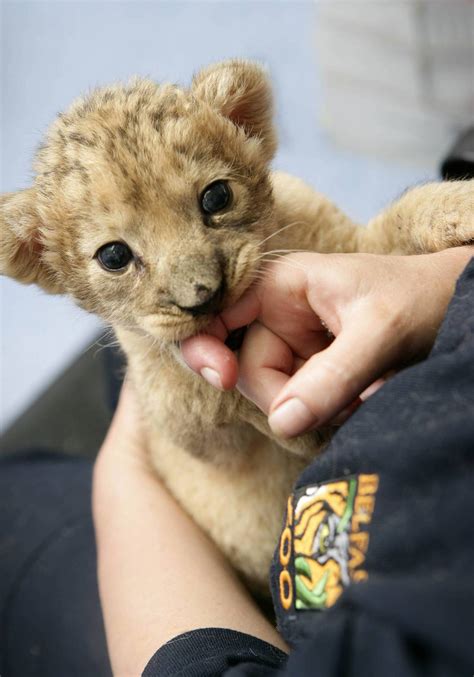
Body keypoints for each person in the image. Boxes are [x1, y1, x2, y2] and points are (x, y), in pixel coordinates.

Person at [1, 246, 473, 676]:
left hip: (275, 588)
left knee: (14, 493)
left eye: (215, 200)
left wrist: (125, 468)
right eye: (116, 256)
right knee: (127, 353)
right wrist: (443, 280)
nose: (198, 286)